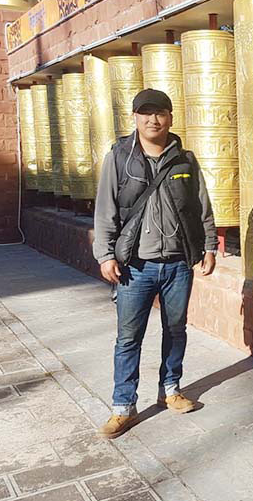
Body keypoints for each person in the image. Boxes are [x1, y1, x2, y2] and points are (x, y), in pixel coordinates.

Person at [93, 88, 218, 438]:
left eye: (160, 112)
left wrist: (208, 246)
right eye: (145, 113)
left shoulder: (185, 161)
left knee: (176, 330)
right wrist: (104, 255)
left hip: (178, 264)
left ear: (170, 118)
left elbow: (202, 207)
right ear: (135, 118)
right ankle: (123, 406)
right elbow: (106, 209)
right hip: (135, 266)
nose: (153, 119)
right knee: (128, 338)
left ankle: (171, 390)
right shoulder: (119, 158)